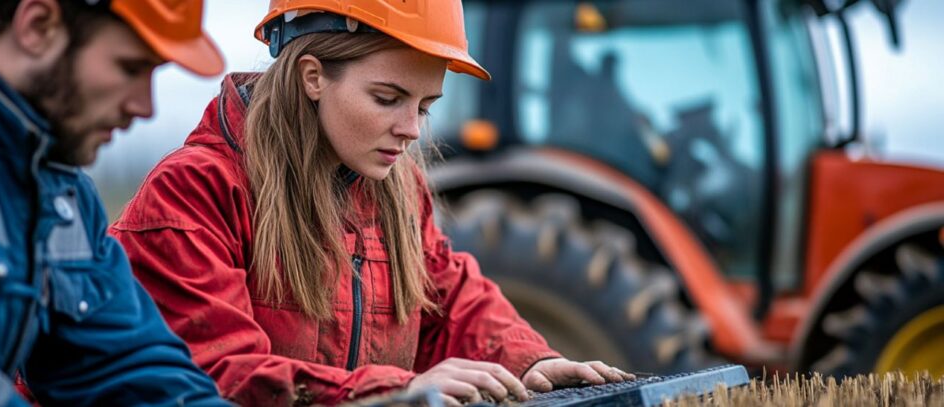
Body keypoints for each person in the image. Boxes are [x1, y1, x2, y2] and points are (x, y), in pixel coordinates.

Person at [110, 0, 635, 405]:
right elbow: (213, 373)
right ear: (312, 77)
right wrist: (390, 391)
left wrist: (527, 361)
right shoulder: (193, 195)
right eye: (388, 99)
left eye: (426, 106)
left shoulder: (397, 192)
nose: (411, 130)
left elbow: (449, 300)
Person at [0, 0, 230, 405]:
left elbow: (125, 364)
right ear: (38, 26)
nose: (145, 107)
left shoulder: (62, 194)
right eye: (131, 68)